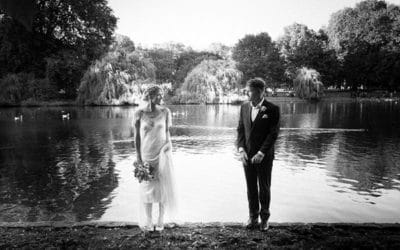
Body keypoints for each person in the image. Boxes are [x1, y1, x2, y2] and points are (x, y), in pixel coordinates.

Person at [236, 78, 280, 231]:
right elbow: (240, 130)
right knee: (251, 188)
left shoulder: (272, 109)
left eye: (250, 91)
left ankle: (265, 219)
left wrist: (261, 152)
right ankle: (253, 217)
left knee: (264, 187)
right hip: (247, 156)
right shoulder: (244, 107)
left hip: (264, 157)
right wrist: (241, 150)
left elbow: (273, 134)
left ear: (260, 91)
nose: (247, 93)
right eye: (247, 90)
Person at [133, 85, 177, 231]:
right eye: (158, 95)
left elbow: (167, 133)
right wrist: (138, 157)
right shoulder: (138, 113)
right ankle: (149, 220)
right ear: (150, 96)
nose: (161, 97)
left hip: (162, 155)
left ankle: (161, 219)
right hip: (146, 156)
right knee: (147, 188)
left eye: (161, 94)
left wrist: (168, 146)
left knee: (163, 187)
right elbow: (137, 138)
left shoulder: (165, 112)